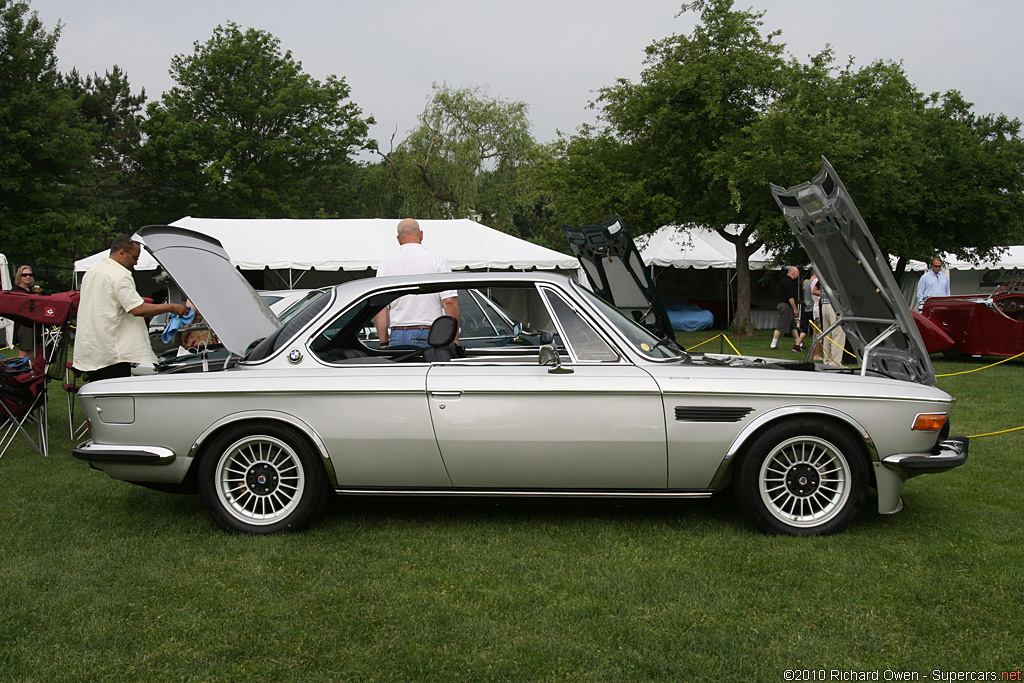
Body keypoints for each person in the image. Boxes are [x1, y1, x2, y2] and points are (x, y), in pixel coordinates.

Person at [74, 235, 190, 381]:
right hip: (113, 353)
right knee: (117, 398)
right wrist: (172, 307)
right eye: (135, 257)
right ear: (121, 253)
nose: (135, 263)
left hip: (93, 349)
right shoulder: (120, 275)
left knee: (99, 396)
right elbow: (137, 309)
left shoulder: (92, 272)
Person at [373, 218, 460, 349]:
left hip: (397, 334)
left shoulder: (385, 265)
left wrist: (384, 343)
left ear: (398, 239)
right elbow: (449, 302)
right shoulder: (437, 260)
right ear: (421, 234)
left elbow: (380, 308)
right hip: (430, 332)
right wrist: (454, 338)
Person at [9, 264, 42, 358]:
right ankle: (23, 372)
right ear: (19, 276)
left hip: (34, 324)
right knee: (25, 354)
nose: (28, 277)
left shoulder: (33, 290)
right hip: (24, 325)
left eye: (30, 275)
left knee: (33, 353)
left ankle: (32, 371)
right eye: (25, 275)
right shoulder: (16, 291)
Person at [815, 277, 846, 367]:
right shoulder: (835, 273)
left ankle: (827, 360)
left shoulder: (823, 274)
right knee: (838, 334)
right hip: (835, 305)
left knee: (827, 334)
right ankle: (835, 362)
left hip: (824, 304)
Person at [770, 266, 800, 350]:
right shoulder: (789, 282)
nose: (798, 274)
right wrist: (795, 308)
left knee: (793, 325)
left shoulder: (783, 281)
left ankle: (798, 343)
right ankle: (773, 344)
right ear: (793, 272)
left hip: (783, 305)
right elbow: (790, 297)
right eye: (797, 272)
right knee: (781, 325)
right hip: (786, 306)